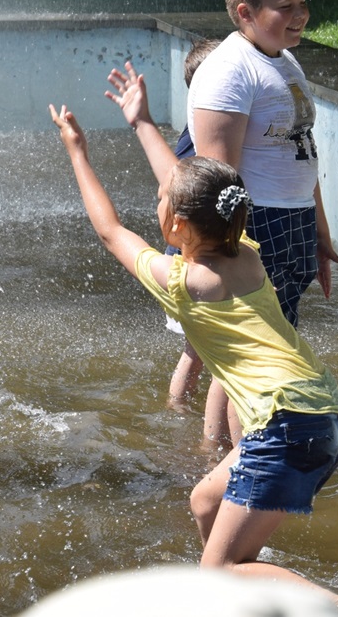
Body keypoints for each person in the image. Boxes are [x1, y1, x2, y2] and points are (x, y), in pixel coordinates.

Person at [47, 104, 338, 617]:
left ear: (177, 222)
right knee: (205, 501)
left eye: (161, 198)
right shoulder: (247, 254)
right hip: (324, 412)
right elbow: (198, 196)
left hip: (284, 423)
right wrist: (144, 127)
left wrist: (77, 151)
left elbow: (109, 230)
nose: (157, 198)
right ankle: (245, 603)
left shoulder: (183, 282)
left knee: (219, 571)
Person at [186, 0, 338, 452]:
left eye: (303, 3)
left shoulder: (283, 58)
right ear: (245, 13)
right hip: (257, 225)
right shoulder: (229, 72)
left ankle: (218, 453)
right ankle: (249, 461)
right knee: (259, 354)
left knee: (262, 347)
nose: (300, 15)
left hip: (292, 220)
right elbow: (218, 179)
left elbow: (303, 152)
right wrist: (231, 252)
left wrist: (318, 231)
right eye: (285, 6)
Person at [107, 39, 222, 411]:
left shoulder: (205, 128)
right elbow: (175, 183)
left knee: (201, 348)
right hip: (191, 252)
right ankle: (181, 411)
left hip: (193, 247)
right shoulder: (204, 135)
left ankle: (179, 408)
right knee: (202, 349)